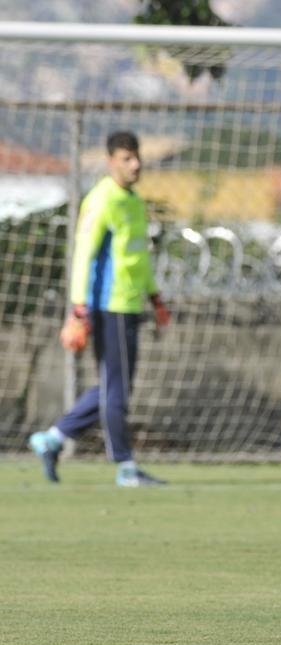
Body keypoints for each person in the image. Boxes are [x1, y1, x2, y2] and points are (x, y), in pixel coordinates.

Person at [28, 130, 169, 487]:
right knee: (117, 389)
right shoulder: (101, 200)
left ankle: (53, 439)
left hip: (130, 304)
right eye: (126, 159)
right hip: (108, 306)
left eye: (137, 157)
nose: (135, 165)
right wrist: (79, 309)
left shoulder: (133, 201)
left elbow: (138, 257)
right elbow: (83, 256)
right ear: (110, 162)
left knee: (114, 385)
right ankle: (125, 467)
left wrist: (155, 297)